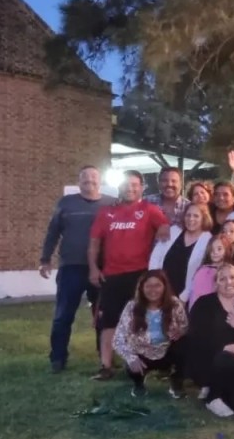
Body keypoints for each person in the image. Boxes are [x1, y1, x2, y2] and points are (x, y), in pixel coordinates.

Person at [88, 170, 170, 381]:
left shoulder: (150, 210)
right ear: (120, 187)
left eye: (135, 185)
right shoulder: (106, 212)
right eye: (126, 184)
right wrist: (93, 268)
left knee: (140, 320)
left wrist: (162, 228)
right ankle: (105, 365)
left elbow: (164, 226)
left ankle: (141, 362)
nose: (130, 188)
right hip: (112, 275)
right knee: (108, 322)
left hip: (140, 276)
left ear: (142, 187)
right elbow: (95, 243)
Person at [40, 165, 117, 373]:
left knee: (103, 315)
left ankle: (105, 356)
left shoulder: (111, 204)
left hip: (102, 269)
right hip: (71, 267)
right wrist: (45, 258)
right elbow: (53, 232)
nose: (89, 180)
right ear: (79, 180)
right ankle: (58, 358)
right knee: (63, 315)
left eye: (93, 177)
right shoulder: (66, 203)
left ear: (99, 181)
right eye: (84, 177)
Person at [188, 264, 234, 417]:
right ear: (216, 283)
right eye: (222, 279)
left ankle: (220, 391)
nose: (228, 282)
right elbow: (194, 336)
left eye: (232, 277)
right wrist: (222, 347)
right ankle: (212, 397)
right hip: (206, 360)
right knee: (224, 357)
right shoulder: (204, 304)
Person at [112, 270, 189, 398]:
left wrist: (181, 331)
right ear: (141, 288)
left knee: (186, 344)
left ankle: (176, 383)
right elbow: (117, 339)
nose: (153, 290)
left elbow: (185, 325)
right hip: (141, 352)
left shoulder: (174, 304)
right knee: (131, 365)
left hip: (167, 350)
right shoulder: (132, 307)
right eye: (148, 286)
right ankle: (138, 384)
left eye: (157, 285)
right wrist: (131, 358)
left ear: (165, 287)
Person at [148, 203, 212, 301]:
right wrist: (154, 281)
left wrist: (183, 297)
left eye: (196, 216)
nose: (191, 219)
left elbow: (200, 272)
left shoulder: (207, 239)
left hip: (186, 295)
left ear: (203, 218)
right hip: (161, 290)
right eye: (188, 215)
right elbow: (156, 256)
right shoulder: (174, 230)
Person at [185, 236, 232, 310]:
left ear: (226, 250)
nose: (215, 252)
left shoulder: (231, 270)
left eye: (219, 249)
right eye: (212, 250)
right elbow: (196, 296)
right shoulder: (203, 271)